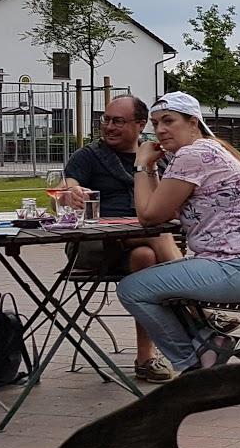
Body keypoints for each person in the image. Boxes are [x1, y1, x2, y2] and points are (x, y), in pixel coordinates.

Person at [118, 92, 240, 374]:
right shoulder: (210, 150)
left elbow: (148, 216)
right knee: (158, 283)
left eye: (168, 121)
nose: (160, 130)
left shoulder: (193, 154)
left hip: (239, 268)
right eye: (155, 123)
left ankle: (192, 367)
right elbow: (162, 209)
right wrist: (153, 168)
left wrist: (141, 164)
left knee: (132, 289)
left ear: (193, 122)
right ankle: (209, 341)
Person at [61, 95, 181, 384]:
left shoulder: (157, 158)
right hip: (94, 246)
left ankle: (145, 359)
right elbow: (65, 185)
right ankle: (196, 304)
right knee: (156, 237)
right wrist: (71, 193)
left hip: (141, 248)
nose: (109, 127)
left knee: (146, 257)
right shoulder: (88, 156)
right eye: (106, 119)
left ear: (140, 125)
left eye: (118, 121)